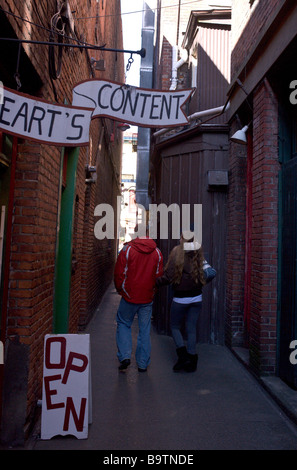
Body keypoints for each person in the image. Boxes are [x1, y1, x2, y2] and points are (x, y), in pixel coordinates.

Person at [156, 230, 216, 373]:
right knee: (191, 328)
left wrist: (155, 283)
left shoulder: (177, 251)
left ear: (182, 239)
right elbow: (210, 272)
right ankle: (192, 360)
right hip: (197, 298)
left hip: (181, 298)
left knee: (175, 327)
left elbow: (169, 276)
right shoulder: (198, 251)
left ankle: (182, 357)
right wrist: (200, 283)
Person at [114, 234, 163, 372]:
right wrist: (153, 292)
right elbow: (158, 276)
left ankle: (125, 357)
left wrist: (120, 290)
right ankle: (142, 364)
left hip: (129, 296)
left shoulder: (127, 250)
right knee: (144, 330)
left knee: (124, 323)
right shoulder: (157, 253)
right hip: (147, 298)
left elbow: (119, 273)